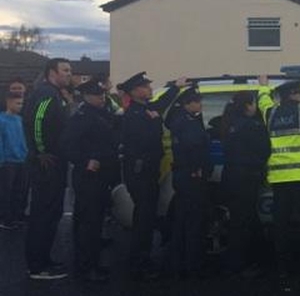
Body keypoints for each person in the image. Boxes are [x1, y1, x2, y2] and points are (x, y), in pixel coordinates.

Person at [119, 72, 187, 280]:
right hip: (140, 172)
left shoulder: (146, 109)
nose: (149, 89)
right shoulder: (133, 115)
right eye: (145, 86)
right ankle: (139, 262)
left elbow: (162, 103)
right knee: (144, 218)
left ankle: (142, 258)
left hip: (149, 170)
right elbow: (141, 141)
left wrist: (176, 87)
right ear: (134, 91)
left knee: (147, 216)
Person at [260, 80, 300, 279]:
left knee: (281, 225)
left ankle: (283, 267)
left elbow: (262, 101)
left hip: (280, 178)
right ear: (296, 94)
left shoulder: (270, 113)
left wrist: (263, 85)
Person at [60, 80, 119, 282]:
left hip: (101, 175)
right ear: (85, 96)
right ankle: (86, 267)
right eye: (97, 95)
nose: (101, 98)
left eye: (102, 94)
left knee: (94, 221)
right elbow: (67, 145)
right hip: (89, 177)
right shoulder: (81, 117)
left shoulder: (99, 113)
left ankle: (91, 261)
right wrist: (85, 161)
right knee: (89, 223)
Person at [22, 58, 72, 280]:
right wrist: (41, 151)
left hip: (55, 161)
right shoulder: (47, 94)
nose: (69, 74)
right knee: (43, 213)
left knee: (51, 213)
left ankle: (44, 259)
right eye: (66, 70)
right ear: (53, 72)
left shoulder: (56, 94)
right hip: (47, 163)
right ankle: (37, 266)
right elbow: (38, 122)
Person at [221, 91, 269, 278]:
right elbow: (264, 150)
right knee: (244, 221)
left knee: (240, 219)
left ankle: (244, 260)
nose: (255, 107)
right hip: (247, 178)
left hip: (231, 176)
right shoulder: (253, 126)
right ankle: (239, 264)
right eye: (254, 104)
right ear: (248, 105)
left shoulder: (229, 123)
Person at [165, 87, 211, 278]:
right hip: (191, 176)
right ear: (187, 103)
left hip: (182, 176)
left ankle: (178, 261)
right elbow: (194, 147)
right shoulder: (189, 123)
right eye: (197, 101)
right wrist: (197, 168)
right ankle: (194, 264)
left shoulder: (179, 120)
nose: (200, 104)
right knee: (193, 221)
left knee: (182, 220)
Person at [0, 92, 28, 230]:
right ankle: (6, 219)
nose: (20, 106)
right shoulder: (1, 120)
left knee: (19, 191)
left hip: (21, 160)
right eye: (18, 103)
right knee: (6, 191)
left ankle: (16, 216)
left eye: (22, 103)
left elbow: (24, 140)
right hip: (7, 162)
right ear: (8, 102)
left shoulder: (20, 119)